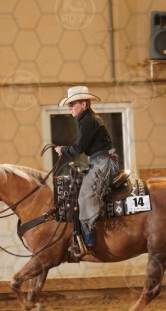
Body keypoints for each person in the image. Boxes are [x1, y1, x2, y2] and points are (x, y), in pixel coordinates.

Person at [55, 86, 119, 255]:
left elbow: (79, 148)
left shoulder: (88, 120)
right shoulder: (86, 119)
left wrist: (63, 150)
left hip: (103, 162)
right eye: (69, 105)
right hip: (98, 160)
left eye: (72, 104)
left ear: (83, 104)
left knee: (86, 193)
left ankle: (89, 241)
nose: (70, 108)